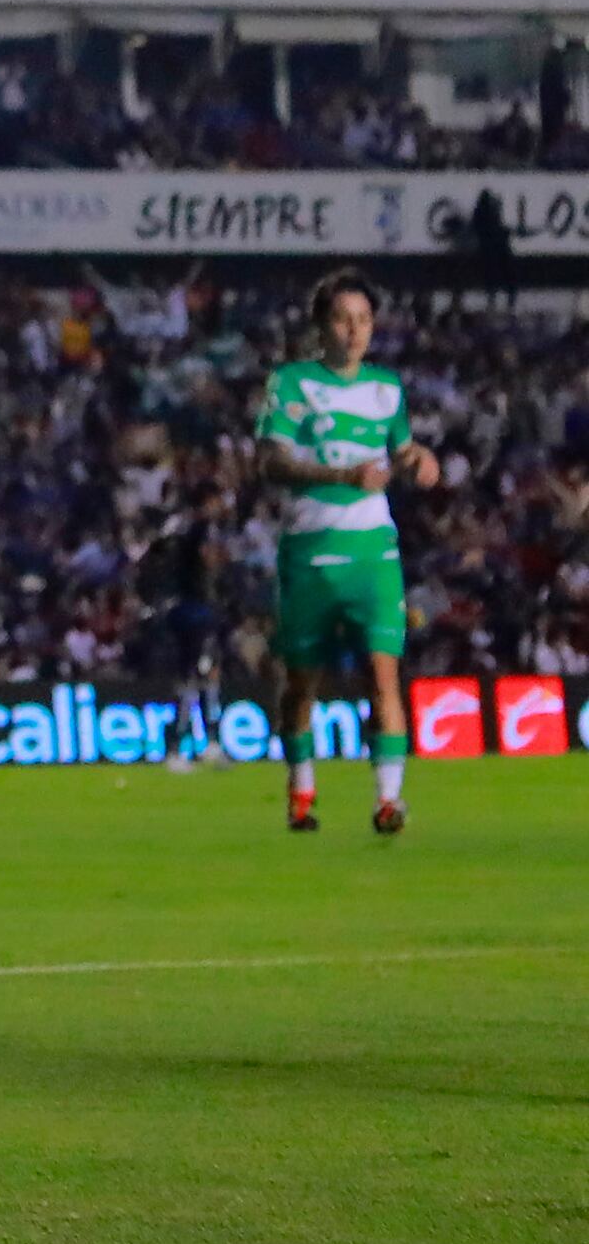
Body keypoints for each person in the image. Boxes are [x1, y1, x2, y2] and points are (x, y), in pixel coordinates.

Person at [249, 269, 442, 837]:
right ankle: (302, 790)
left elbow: (401, 449)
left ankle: (389, 801)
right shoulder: (291, 383)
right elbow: (271, 461)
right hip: (310, 547)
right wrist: (340, 473)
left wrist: (418, 461)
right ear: (321, 326)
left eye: (364, 319)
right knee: (303, 684)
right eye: (343, 318)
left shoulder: (387, 388)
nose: (355, 330)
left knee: (383, 675)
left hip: (373, 549)